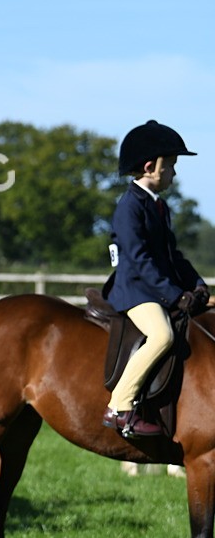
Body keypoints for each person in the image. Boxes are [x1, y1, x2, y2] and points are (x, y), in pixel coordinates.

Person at [103, 120, 209, 437]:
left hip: (154, 287)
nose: (174, 173)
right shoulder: (129, 207)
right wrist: (175, 295)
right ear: (151, 167)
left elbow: (172, 255)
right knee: (162, 335)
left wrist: (197, 284)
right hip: (134, 290)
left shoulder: (158, 206)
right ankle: (119, 407)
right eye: (171, 166)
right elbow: (139, 260)